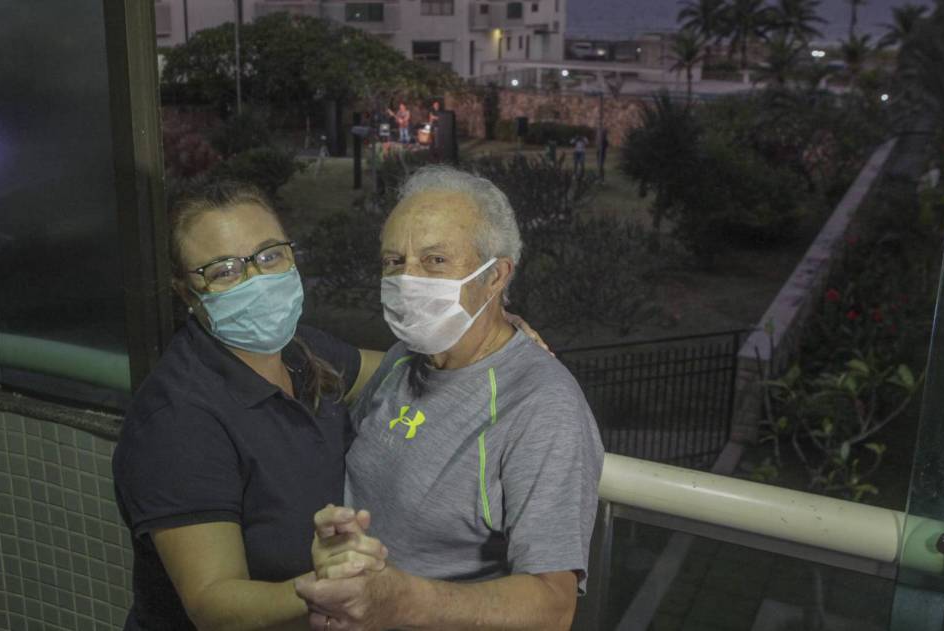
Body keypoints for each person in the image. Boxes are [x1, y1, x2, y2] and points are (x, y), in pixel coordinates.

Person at [295, 166, 605, 630]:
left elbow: (553, 608)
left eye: (435, 260)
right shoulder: (405, 358)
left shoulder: (542, 406)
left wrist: (400, 601)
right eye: (393, 261)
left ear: (495, 275)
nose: (407, 279)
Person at [111, 183, 390, 630]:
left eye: (269, 255)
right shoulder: (175, 421)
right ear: (187, 293)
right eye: (224, 270)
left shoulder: (300, 352)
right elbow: (214, 603)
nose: (257, 280)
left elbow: (392, 372)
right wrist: (323, 586)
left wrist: (487, 343)